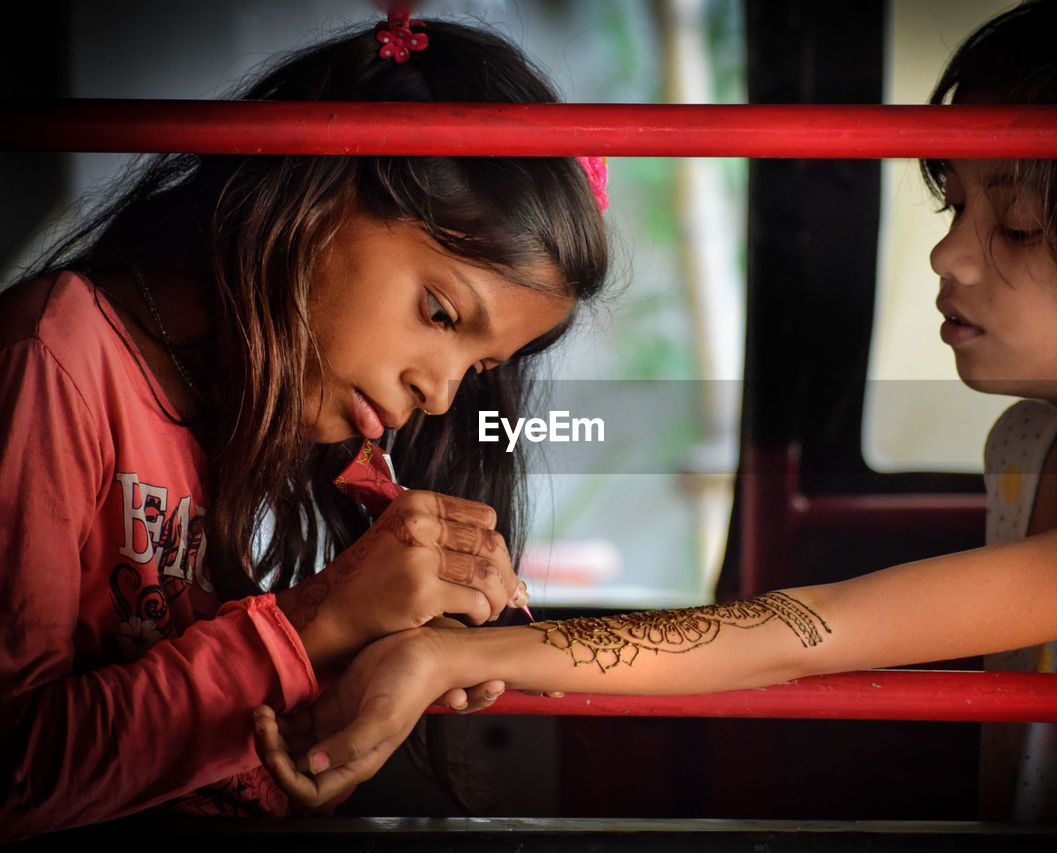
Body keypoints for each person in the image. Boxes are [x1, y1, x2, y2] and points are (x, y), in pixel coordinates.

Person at [254, 0, 1057, 826]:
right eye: (952, 207)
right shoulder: (1028, 441)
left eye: (1009, 224)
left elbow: (816, 631)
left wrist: (453, 652)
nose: (947, 256)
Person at [0, 7, 609, 842]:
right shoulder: (55, 359)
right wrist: (313, 621)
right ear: (325, 190)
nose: (438, 393)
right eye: (439, 313)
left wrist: (370, 669)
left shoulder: (284, 428)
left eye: (476, 368)